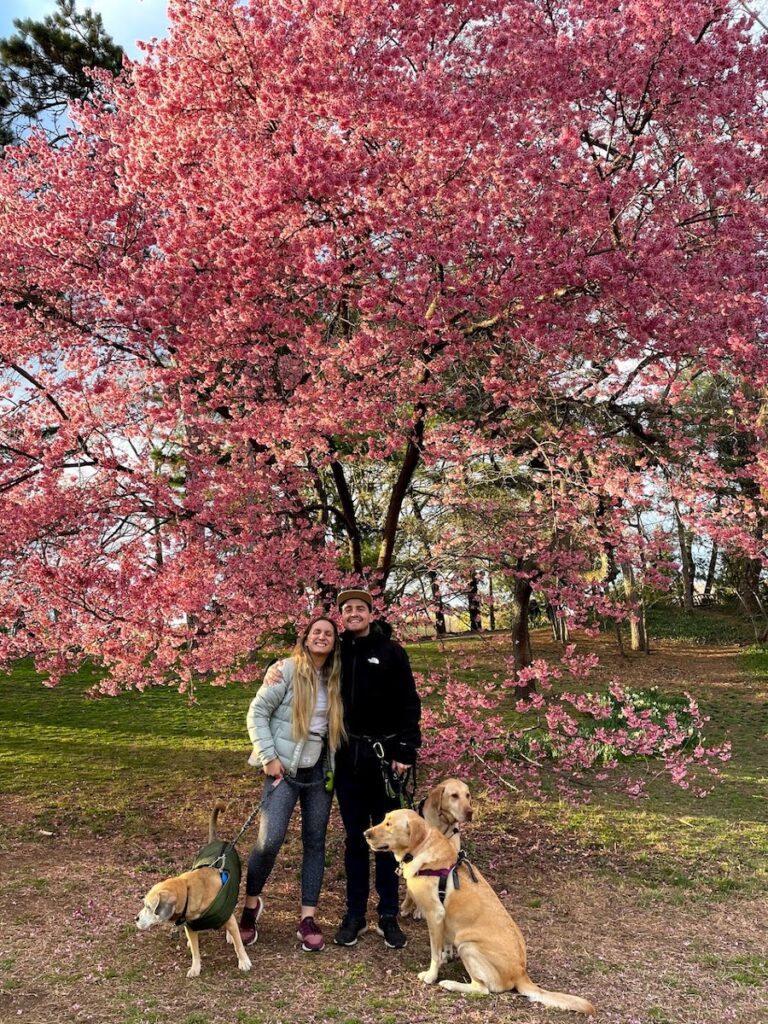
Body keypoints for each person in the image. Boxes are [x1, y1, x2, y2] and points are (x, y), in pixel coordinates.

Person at [239, 616, 345, 952]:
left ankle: (307, 918)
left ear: (334, 642)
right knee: (269, 840)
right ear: (306, 637)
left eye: (328, 634)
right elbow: (256, 713)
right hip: (283, 766)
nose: (322, 637)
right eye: (317, 632)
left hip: (320, 770)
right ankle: (251, 905)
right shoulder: (285, 670)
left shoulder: (336, 677)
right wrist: (268, 757)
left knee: (315, 841)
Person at [333, 589, 421, 949]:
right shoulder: (336, 650)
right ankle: (355, 914)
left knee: (386, 841)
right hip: (347, 757)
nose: (353, 613)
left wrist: (405, 750)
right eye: (347, 609)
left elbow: (409, 703)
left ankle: (387, 914)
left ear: (371, 614)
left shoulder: (391, 651)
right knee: (355, 838)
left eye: (359, 608)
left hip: (385, 758)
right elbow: (301, 664)